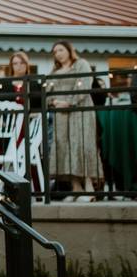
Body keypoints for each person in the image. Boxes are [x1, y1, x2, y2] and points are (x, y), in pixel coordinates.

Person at [48, 40, 102, 200]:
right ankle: (76, 188)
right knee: (65, 147)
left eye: (61, 50)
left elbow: (85, 85)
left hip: (80, 110)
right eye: (55, 51)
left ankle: (89, 188)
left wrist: (69, 102)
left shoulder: (81, 64)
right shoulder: (54, 71)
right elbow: (48, 90)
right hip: (61, 114)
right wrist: (53, 101)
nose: (58, 53)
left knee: (82, 144)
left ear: (69, 50)